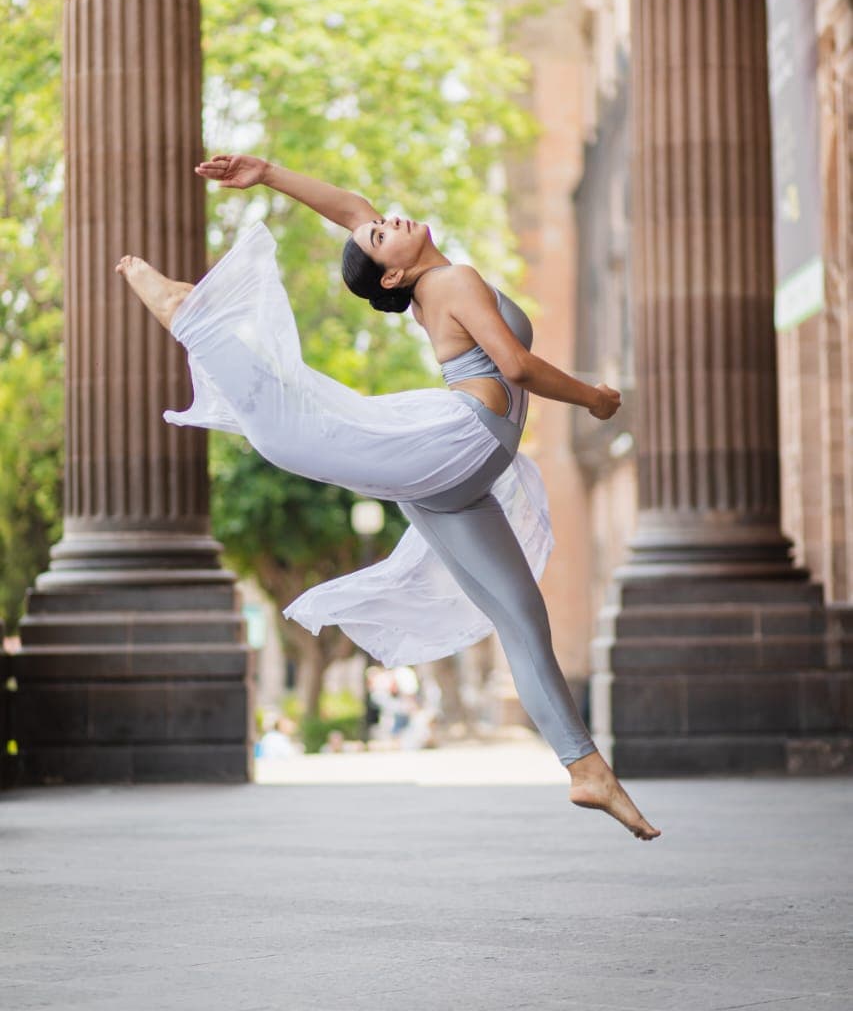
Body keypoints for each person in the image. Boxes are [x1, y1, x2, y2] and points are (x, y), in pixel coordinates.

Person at [115, 155, 660, 842]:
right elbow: (516, 367)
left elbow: (349, 209)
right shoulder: (452, 280)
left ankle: (586, 770)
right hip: (453, 447)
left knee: (522, 619)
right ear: (394, 274)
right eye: (379, 237)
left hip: (454, 476)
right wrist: (594, 398)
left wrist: (268, 172)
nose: (383, 221)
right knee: (303, 423)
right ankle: (191, 315)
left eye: (379, 227)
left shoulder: (427, 275)